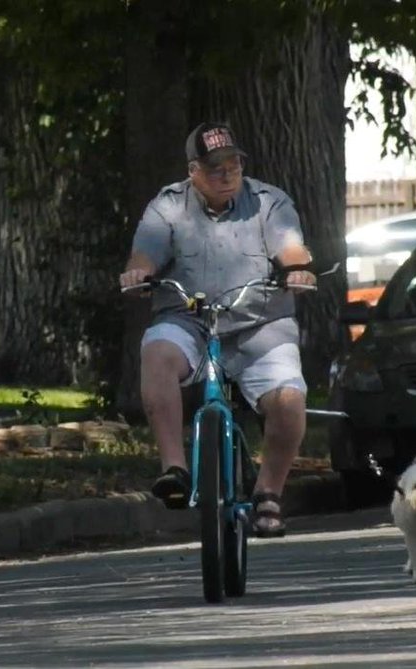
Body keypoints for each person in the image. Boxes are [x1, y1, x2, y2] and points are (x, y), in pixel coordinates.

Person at [118, 121, 315, 538]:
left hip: (260, 323)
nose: (227, 174)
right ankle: (175, 468)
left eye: (234, 164)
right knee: (156, 352)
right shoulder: (167, 206)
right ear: (193, 171)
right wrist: (138, 273)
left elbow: (291, 247)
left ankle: (269, 493)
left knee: (289, 398)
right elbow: (145, 254)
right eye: (215, 167)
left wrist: (296, 269)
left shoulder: (268, 202)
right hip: (188, 320)